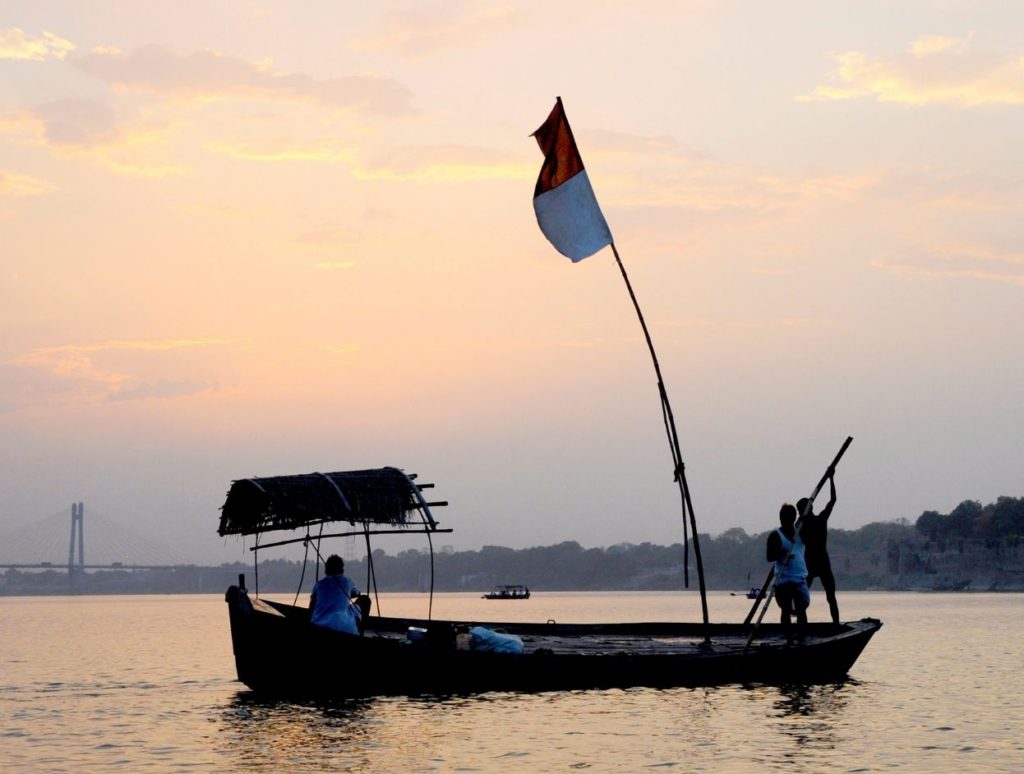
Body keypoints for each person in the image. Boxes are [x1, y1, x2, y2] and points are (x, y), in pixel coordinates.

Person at [798, 469, 840, 625]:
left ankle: (836, 623)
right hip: (810, 563)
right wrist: (831, 479)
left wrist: (831, 479)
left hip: (820, 562)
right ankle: (801, 625)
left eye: (799, 510)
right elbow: (833, 500)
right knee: (802, 596)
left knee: (830, 596)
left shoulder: (818, 520)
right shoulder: (801, 524)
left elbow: (832, 501)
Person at [766, 503, 810, 643]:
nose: (785, 520)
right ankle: (788, 637)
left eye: (789, 518)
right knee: (785, 609)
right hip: (783, 579)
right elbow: (770, 556)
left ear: (793, 518)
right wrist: (782, 553)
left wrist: (805, 519)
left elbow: (810, 539)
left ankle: (802, 636)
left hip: (799, 578)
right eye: (783, 518)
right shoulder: (775, 536)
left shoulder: (800, 532)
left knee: (801, 608)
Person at [309, 555, 363, 635]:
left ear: (327, 569)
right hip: (345, 627)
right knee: (364, 600)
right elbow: (357, 593)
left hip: (320, 624)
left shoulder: (319, 584)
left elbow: (312, 605)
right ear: (341, 568)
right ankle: (361, 631)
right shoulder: (347, 582)